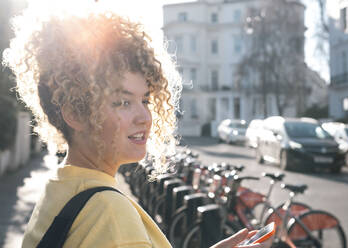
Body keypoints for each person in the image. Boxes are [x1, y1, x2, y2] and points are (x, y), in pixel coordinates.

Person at [3, 1, 273, 248]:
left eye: (145, 99)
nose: (145, 116)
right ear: (75, 113)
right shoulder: (109, 213)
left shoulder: (59, 186)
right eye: (123, 102)